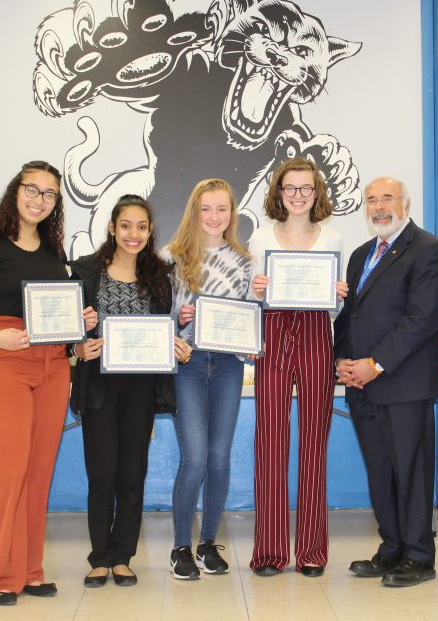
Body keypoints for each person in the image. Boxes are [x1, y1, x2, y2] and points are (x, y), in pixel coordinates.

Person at [0, 160, 95, 605]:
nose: (39, 199)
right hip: (2, 360)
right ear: (15, 192)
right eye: (31, 189)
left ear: (56, 203)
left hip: (53, 367)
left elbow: (58, 320)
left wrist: (80, 326)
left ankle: (30, 570)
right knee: (7, 473)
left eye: (49, 193)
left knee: (38, 476)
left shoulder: (55, 256)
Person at [70, 194, 192, 588]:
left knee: (132, 472)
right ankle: (99, 557)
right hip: (98, 386)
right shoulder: (86, 271)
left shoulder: (161, 275)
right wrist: (78, 343)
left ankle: (123, 556)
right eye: (125, 226)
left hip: (142, 386)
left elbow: (169, 326)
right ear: (112, 228)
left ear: (150, 231)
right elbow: (68, 331)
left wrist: (180, 337)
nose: (133, 234)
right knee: (101, 472)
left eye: (141, 227)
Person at [334, 176, 438, 588]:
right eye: (372, 200)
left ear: (405, 203)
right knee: (380, 471)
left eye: (387, 198)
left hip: (404, 383)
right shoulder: (362, 254)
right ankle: (392, 548)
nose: (380, 206)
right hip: (361, 385)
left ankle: (419, 556)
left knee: (411, 471)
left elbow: (421, 319)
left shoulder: (428, 249)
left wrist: (375, 364)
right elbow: (351, 317)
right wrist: (341, 360)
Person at [247, 158, 348, 577]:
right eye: (291, 188)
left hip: (314, 332)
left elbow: (336, 306)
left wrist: (340, 294)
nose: (299, 195)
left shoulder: (334, 237)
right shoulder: (258, 237)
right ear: (279, 192)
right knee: (269, 439)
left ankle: (311, 551)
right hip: (272, 330)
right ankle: (269, 550)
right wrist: (253, 289)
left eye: (306, 188)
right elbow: (250, 297)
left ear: (317, 192)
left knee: (313, 442)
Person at [162, 180, 253, 581]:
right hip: (189, 364)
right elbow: (156, 317)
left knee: (219, 459)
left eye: (222, 209)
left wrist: (253, 340)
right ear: (194, 212)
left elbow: (252, 315)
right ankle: (181, 546)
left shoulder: (246, 261)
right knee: (195, 457)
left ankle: (207, 543)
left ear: (231, 214)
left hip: (230, 366)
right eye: (206, 209)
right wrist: (175, 320)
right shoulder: (171, 257)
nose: (215, 217)